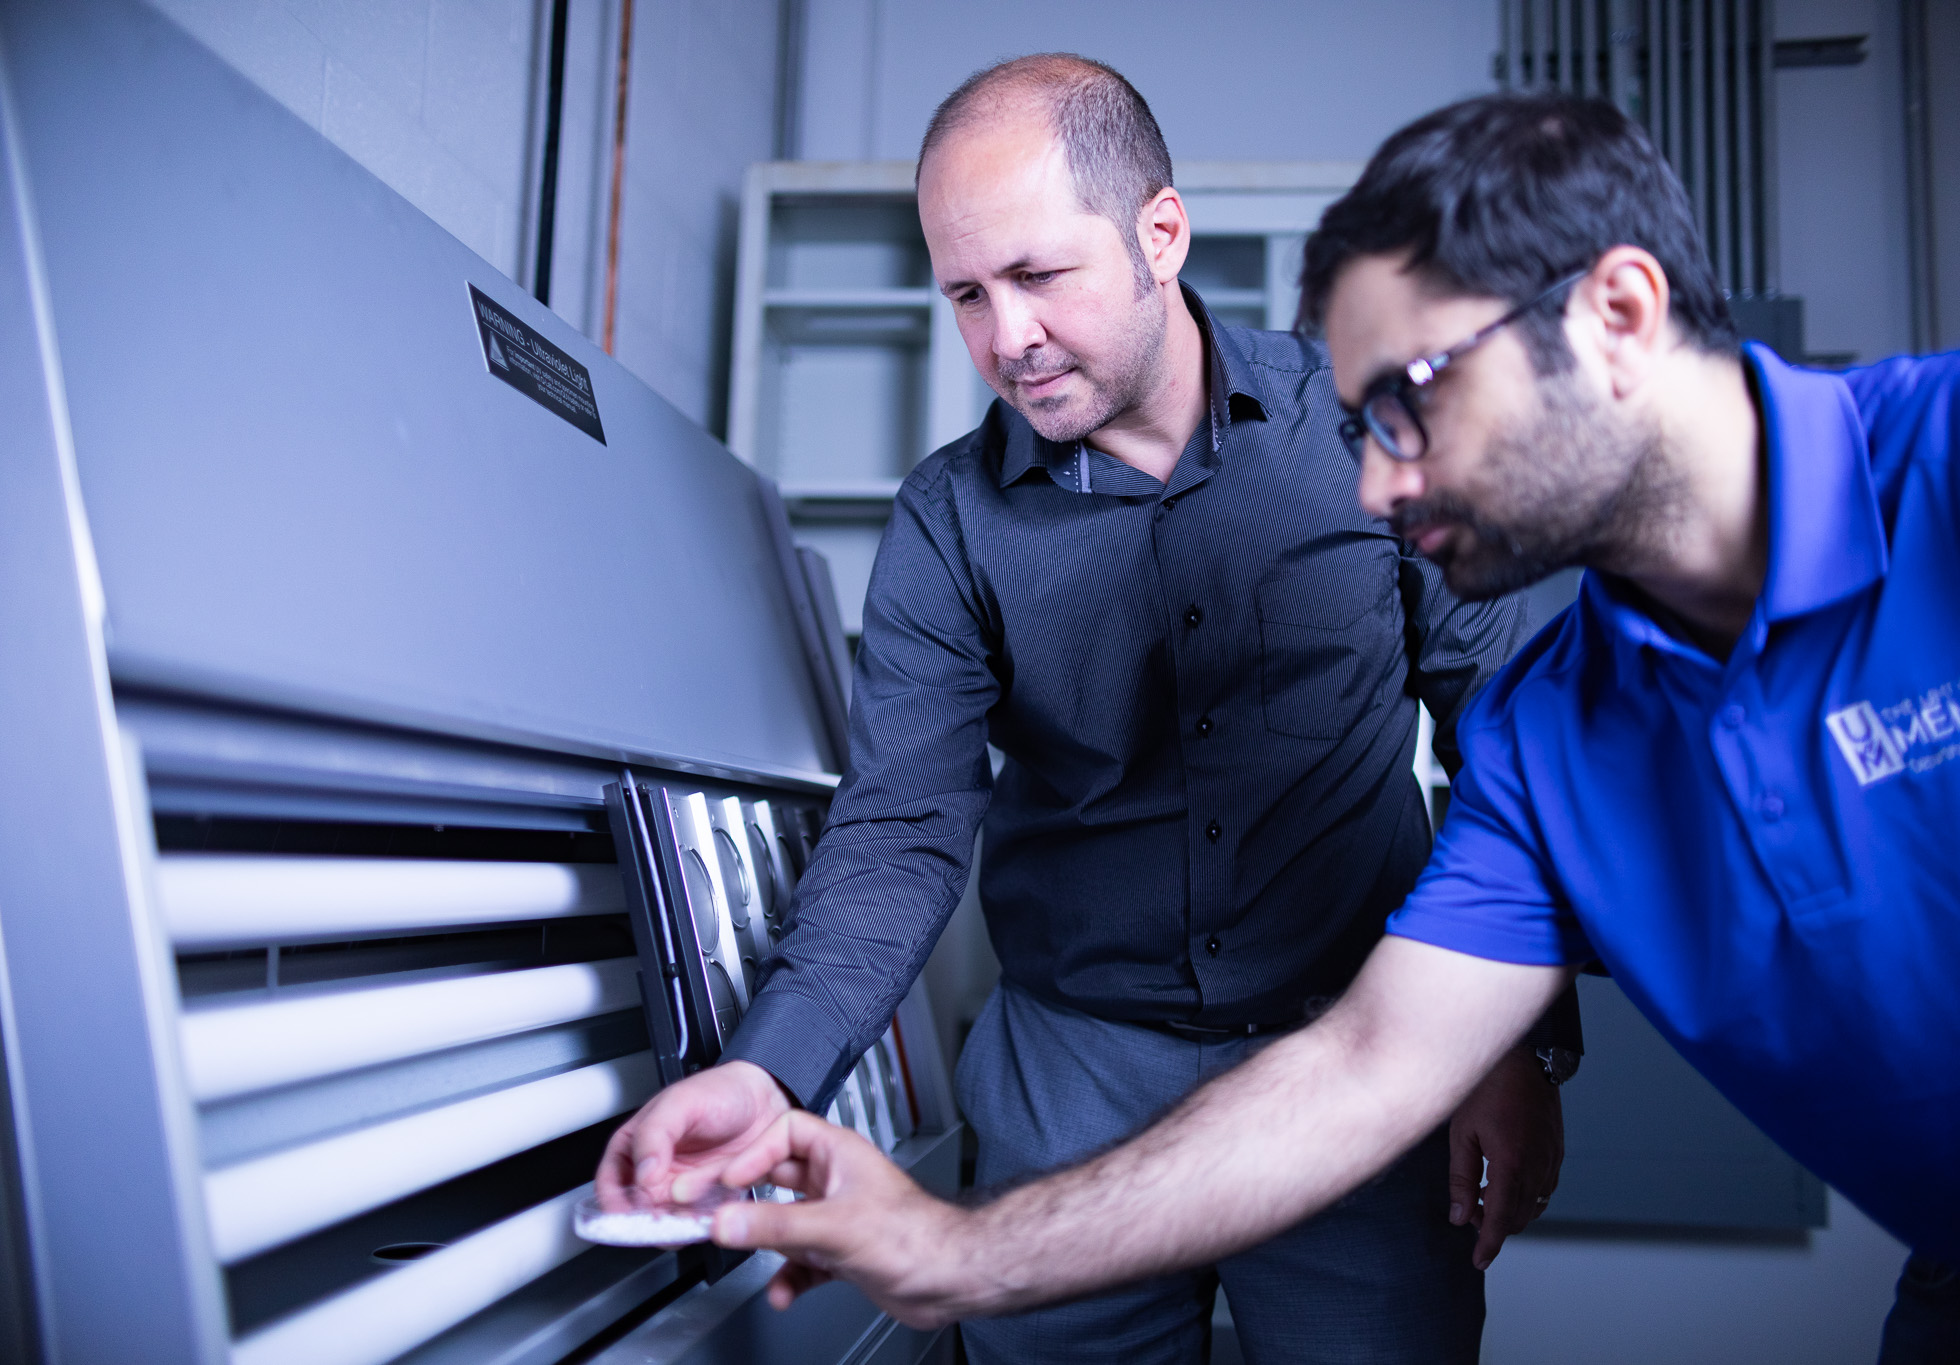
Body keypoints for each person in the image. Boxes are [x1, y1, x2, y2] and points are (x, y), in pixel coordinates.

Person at [700, 92, 1960, 1363]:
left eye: (1410, 400)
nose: (1378, 482)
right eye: (966, 296)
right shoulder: (1556, 751)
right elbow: (1372, 1062)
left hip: (1337, 1001)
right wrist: (922, 1217)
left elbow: (1372, 1036)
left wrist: (1511, 1051)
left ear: (1619, 314)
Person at [598, 55, 1582, 1365]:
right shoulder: (949, 525)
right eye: (965, 293)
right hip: (1069, 1083)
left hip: (1363, 1059)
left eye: (1039, 275)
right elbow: (902, 829)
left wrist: (1513, 1044)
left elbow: (1509, 740)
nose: (1005, 336)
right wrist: (767, 1070)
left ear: (1157, 235)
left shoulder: (1370, 432)